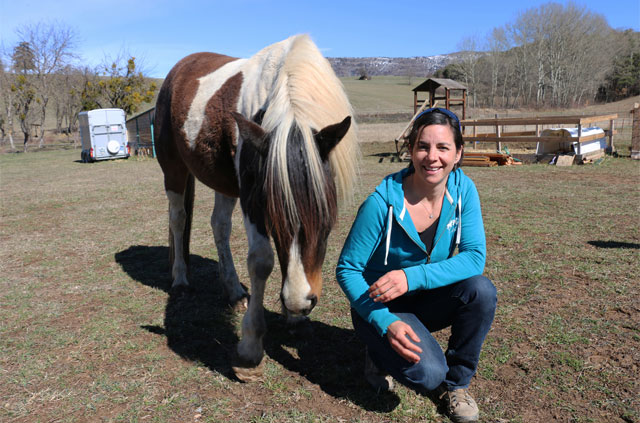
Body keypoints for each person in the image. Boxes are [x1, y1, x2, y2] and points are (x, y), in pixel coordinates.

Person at [336, 108, 496, 423]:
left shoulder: (463, 191)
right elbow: (347, 269)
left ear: (458, 152)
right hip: (379, 304)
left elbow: (475, 256)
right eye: (423, 146)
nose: (431, 157)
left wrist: (413, 277)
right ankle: (378, 350)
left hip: (424, 296)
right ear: (410, 150)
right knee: (428, 373)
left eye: (443, 147)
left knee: (481, 291)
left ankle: (457, 386)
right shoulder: (380, 204)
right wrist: (384, 321)